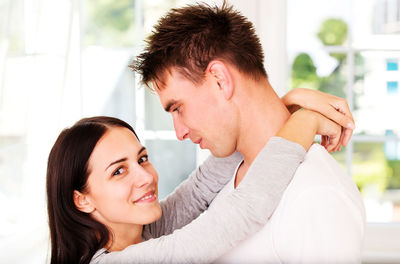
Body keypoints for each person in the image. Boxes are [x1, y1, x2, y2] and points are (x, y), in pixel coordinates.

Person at [131, 2, 366, 263]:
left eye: (177, 108)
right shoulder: (230, 173)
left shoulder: (316, 194)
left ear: (220, 80)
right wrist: (288, 105)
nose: (179, 132)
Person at [47, 112, 341, 264]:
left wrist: (284, 106)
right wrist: (305, 119)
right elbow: (243, 213)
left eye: (143, 159)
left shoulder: (143, 233)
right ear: (82, 200)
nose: (145, 177)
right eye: (119, 171)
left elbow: (203, 186)